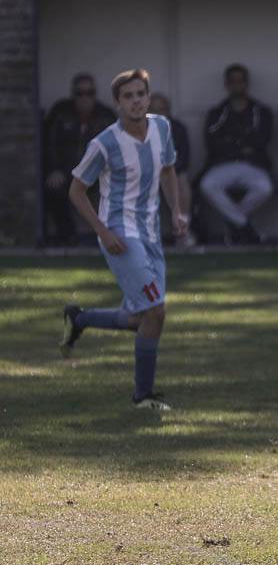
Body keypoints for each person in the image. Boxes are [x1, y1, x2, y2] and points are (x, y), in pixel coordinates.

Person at [59, 69, 186, 411]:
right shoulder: (104, 143)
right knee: (156, 312)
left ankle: (79, 319)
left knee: (141, 319)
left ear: (148, 97)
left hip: (150, 234)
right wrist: (102, 230)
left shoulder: (162, 128)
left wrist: (177, 211)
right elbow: (76, 191)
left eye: (140, 94)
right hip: (120, 234)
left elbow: (168, 170)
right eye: (128, 96)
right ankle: (142, 397)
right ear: (117, 103)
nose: (135, 101)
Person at [199, 64, 273, 244]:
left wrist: (230, 141)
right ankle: (244, 226)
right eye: (233, 81)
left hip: (252, 164)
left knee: (265, 188)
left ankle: (235, 225)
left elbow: (261, 142)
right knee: (207, 185)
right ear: (226, 84)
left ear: (247, 83)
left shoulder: (261, 112)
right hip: (223, 164)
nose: (237, 85)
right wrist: (242, 144)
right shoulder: (217, 113)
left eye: (240, 81)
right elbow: (212, 144)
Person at [43, 73, 117, 245]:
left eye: (89, 93)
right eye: (80, 93)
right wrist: (54, 169)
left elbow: (116, 149)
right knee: (53, 188)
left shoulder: (106, 116)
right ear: (73, 94)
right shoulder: (60, 112)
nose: (85, 98)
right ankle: (68, 236)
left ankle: (113, 236)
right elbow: (49, 143)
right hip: (66, 172)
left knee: (119, 188)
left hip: (96, 173)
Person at [148, 93, 196, 247]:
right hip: (145, 174)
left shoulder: (178, 128)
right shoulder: (136, 128)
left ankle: (183, 231)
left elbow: (184, 159)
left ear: (168, 111)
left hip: (169, 173)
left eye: (162, 110)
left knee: (181, 180)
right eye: (153, 110)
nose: (158, 114)